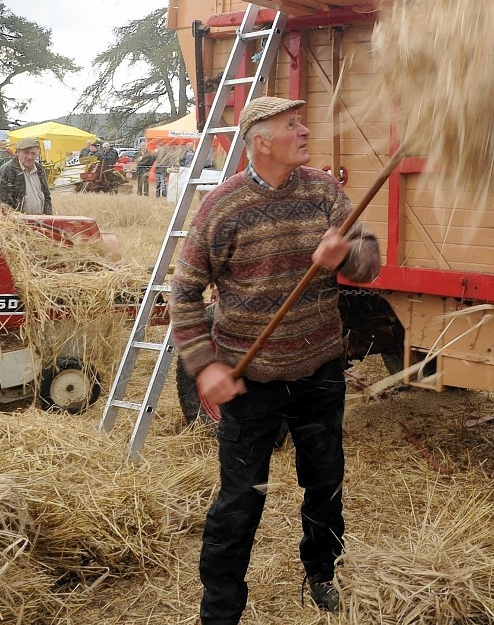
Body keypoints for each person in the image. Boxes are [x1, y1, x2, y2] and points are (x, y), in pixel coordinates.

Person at [170, 97, 380, 621]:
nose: (305, 130)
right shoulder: (222, 207)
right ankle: (219, 611)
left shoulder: (324, 192)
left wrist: (346, 256)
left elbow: (370, 263)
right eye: (292, 125)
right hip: (252, 380)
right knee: (240, 502)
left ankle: (322, 571)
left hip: (320, 370)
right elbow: (183, 293)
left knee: (325, 480)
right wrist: (207, 365)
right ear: (260, 141)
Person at [0, 137, 53, 214]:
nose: (29, 157)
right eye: (26, 152)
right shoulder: (7, 170)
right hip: (16, 223)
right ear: (18, 152)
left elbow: (47, 197)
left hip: (41, 222)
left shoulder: (40, 170)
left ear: (38, 154)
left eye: (33, 153)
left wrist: (49, 218)